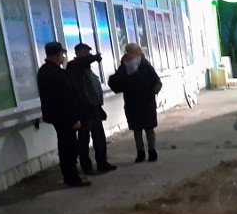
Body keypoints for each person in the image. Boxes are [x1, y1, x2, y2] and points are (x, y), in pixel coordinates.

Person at [36, 41, 90, 187]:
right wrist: (74, 119)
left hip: (57, 116)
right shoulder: (55, 73)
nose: (63, 57)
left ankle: (71, 176)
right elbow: (63, 99)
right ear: (56, 55)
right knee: (69, 148)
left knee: (66, 146)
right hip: (64, 117)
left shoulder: (44, 71)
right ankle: (72, 178)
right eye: (62, 54)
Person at [67, 43, 117, 173]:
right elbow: (82, 62)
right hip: (83, 109)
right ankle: (86, 166)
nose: (88, 55)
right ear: (78, 53)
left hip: (94, 108)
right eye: (85, 52)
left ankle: (102, 162)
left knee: (99, 137)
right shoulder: (74, 66)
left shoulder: (87, 69)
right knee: (84, 139)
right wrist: (94, 57)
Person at [108, 43, 162, 162]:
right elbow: (117, 84)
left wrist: (152, 92)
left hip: (147, 103)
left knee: (149, 129)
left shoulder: (145, 65)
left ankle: (152, 152)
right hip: (132, 103)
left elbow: (157, 82)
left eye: (132, 52)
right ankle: (140, 153)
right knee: (137, 130)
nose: (129, 54)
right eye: (127, 52)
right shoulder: (124, 67)